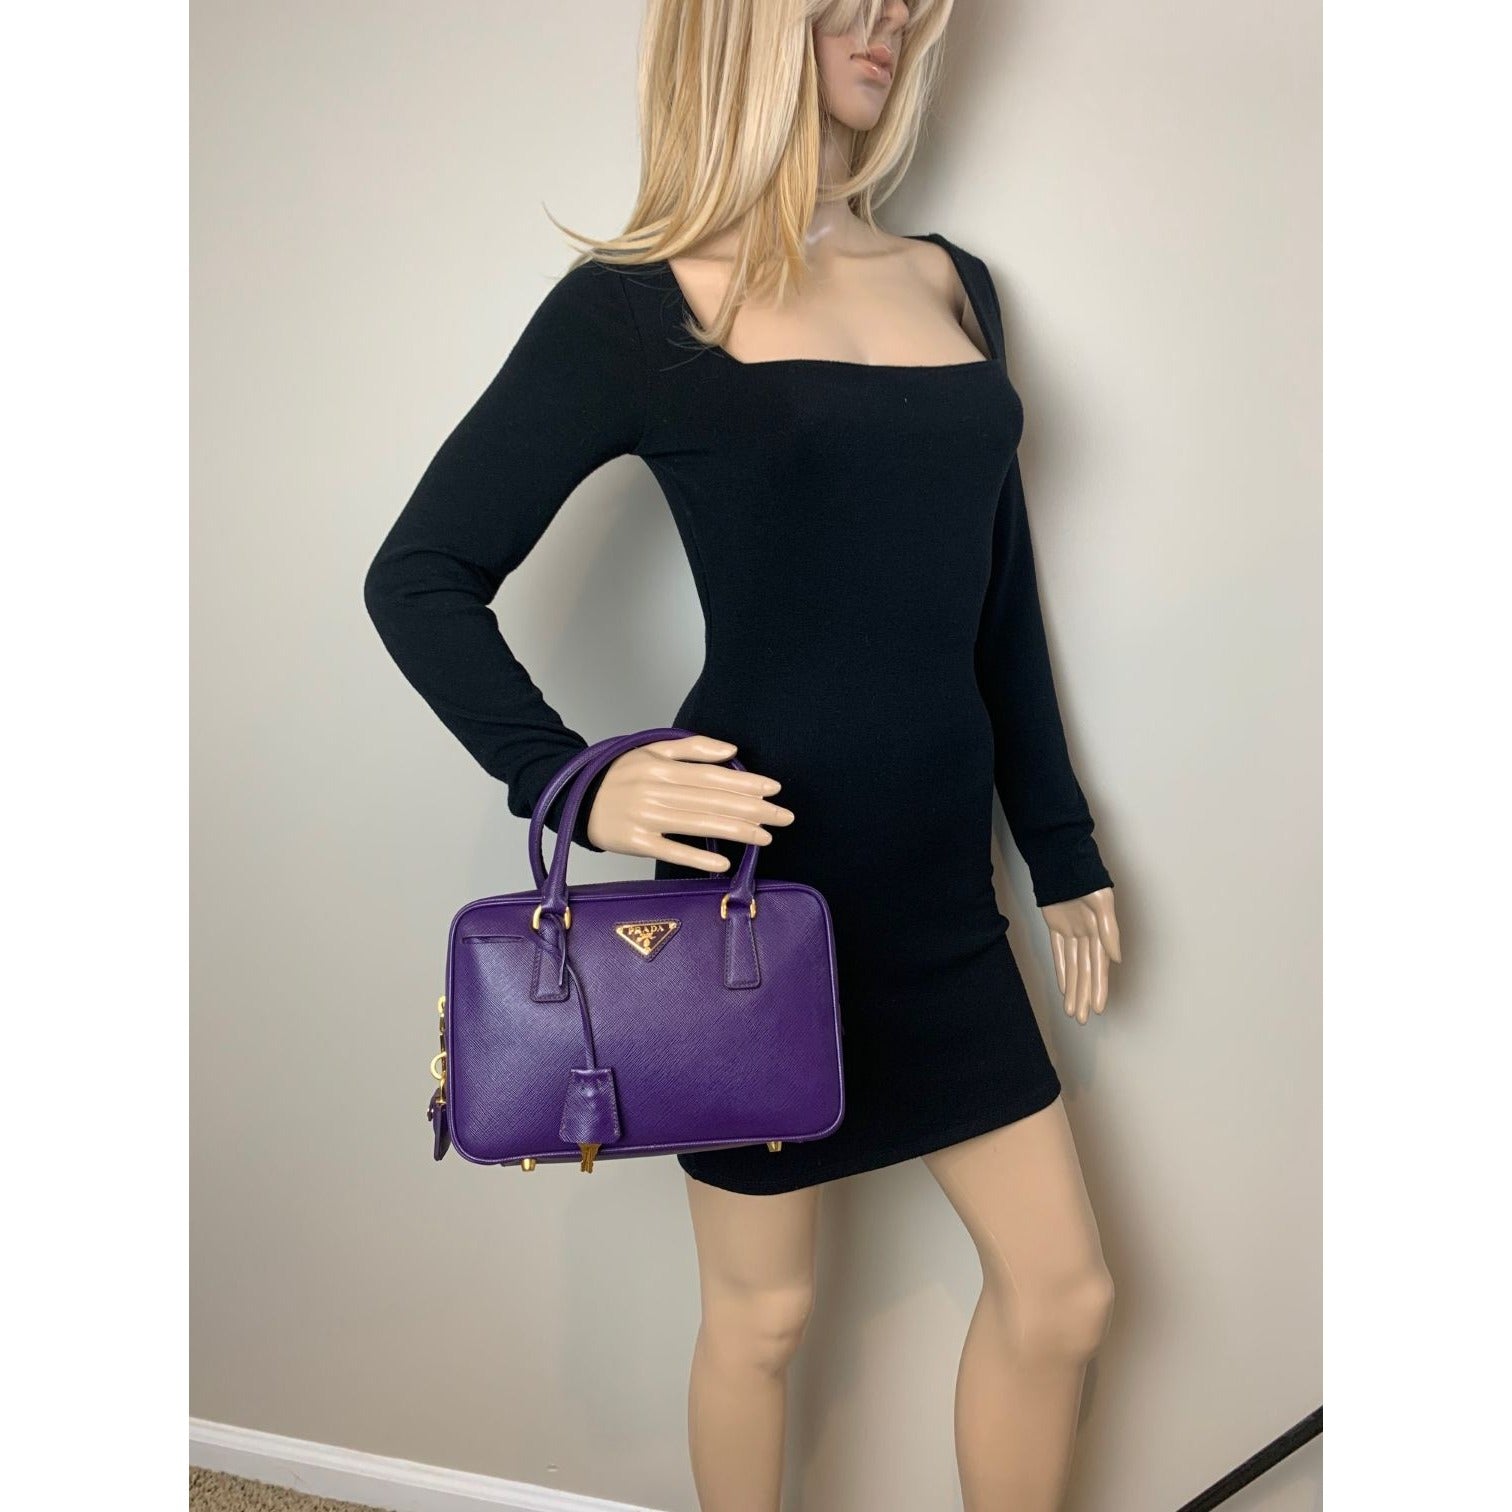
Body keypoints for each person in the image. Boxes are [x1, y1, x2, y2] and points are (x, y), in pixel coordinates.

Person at [364, 2, 1123, 1506]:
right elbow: (421, 573)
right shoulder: (637, 306)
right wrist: (572, 781)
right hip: (751, 895)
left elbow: (999, 602)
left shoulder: (955, 285)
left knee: (1066, 1295)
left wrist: (1061, 846)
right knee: (764, 1319)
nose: (893, 19)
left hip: (938, 895)